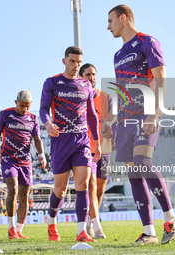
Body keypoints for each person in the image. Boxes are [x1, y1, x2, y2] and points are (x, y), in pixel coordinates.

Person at [105, 5, 175, 245]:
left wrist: (155, 112)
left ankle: (171, 218)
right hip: (125, 120)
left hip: (146, 113)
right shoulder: (117, 56)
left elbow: (161, 79)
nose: (108, 27)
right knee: (134, 174)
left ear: (123, 18)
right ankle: (149, 232)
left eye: (110, 21)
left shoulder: (147, 41)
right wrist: (111, 121)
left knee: (143, 162)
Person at [40, 46, 100, 242]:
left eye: (79, 62)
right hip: (61, 139)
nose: (76, 66)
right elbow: (43, 109)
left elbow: (92, 115)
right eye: (72, 61)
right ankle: (51, 222)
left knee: (83, 184)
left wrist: (96, 142)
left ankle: (82, 231)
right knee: (61, 189)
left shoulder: (86, 85)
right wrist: (48, 124)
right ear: (64, 61)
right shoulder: (52, 82)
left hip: (81, 139)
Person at [0, 90, 46, 239]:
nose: (24, 109)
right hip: (8, 158)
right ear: (15, 102)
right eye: (21, 106)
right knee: (12, 189)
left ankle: (20, 229)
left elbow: (37, 140)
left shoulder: (33, 119)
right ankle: (11, 228)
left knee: (24, 196)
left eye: (27, 106)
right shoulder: (4, 115)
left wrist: (41, 155)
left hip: (25, 161)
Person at [79, 63, 112, 239]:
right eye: (87, 74)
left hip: (104, 148)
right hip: (86, 148)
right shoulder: (78, 98)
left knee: (100, 189)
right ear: (81, 76)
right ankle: (91, 225)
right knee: (90, 187)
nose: (91, 77)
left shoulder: (106, 97)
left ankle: (93, 222)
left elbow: (115, 120)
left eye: (93, 74)